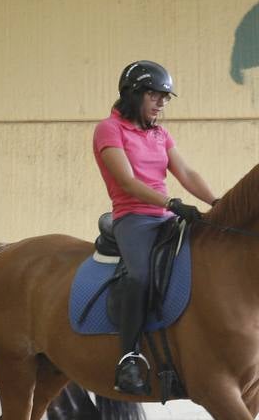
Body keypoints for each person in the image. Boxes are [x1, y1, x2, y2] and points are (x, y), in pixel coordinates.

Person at [93, 61, 218, 395]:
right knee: (140, 277)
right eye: (155, 95)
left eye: (165, 98)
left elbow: (187, 174)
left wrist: (218, 203)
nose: (161, 103)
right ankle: (129, 357)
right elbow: (127, 181)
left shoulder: (160, 134)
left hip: (166, 218)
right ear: (133, 94)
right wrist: (171, 203)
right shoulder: (109, 129)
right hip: (133, 218)